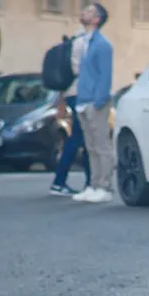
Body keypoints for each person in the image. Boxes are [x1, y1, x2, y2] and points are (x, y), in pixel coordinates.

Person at [72, 3, 116, 205]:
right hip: (82, 100)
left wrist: (98, 100)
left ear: (97, 19)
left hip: (95, 102)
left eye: (89, 11)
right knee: (90, 147)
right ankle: (93, 183)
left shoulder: (102, 45)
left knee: (101, 146)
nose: (84, 13)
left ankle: (104, 186)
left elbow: (104, 76)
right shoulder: (84, 42)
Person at [49, 18, 95, 196]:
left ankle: (85, 182)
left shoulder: (73, 41)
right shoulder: (85, 43)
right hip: (82, 93)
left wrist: (61, 100)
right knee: (81, 138)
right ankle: (65, 182)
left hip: (71, 93)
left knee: (80, 137)